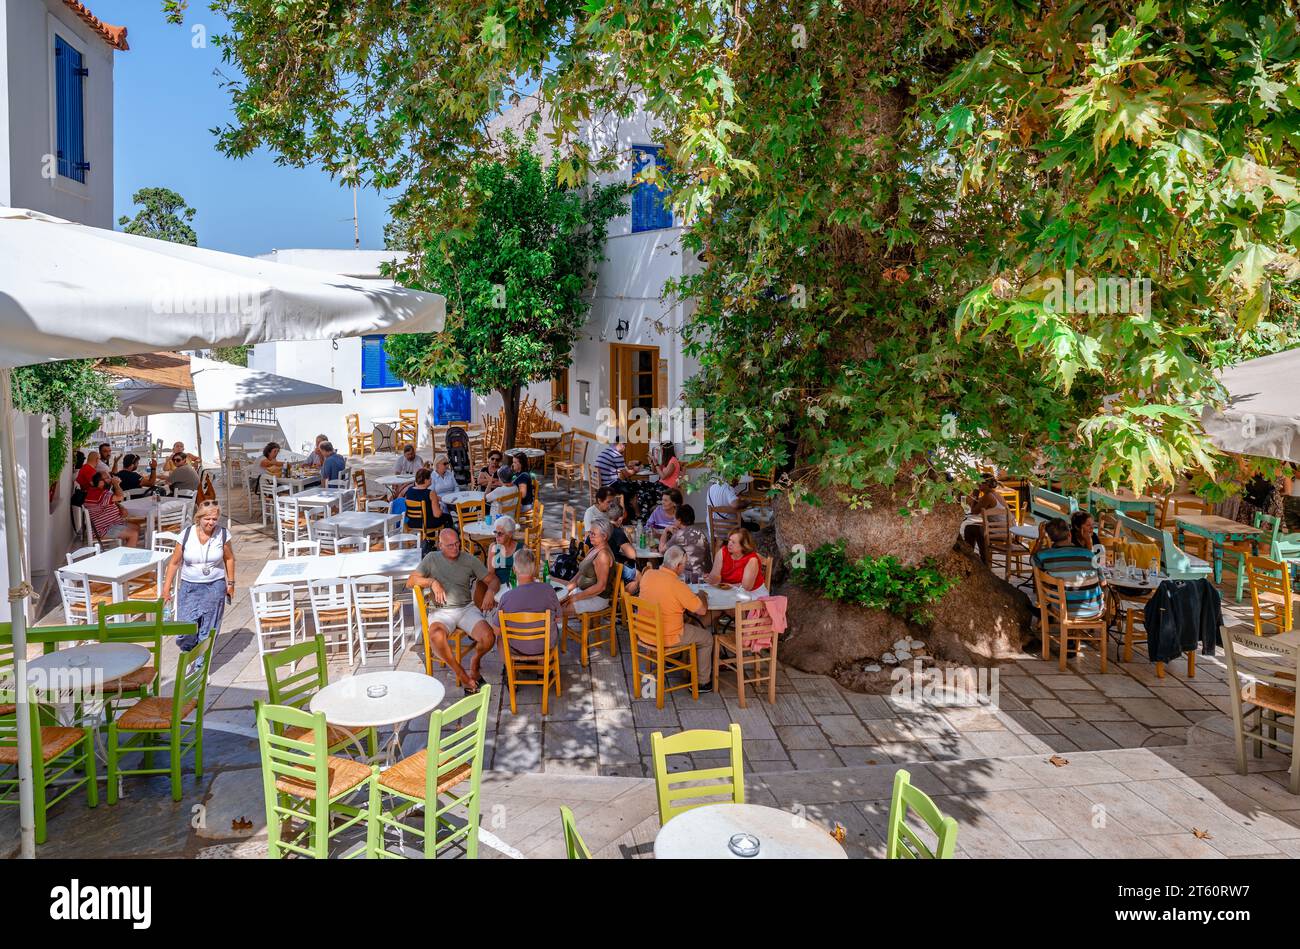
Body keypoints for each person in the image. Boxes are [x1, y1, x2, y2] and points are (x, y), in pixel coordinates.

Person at [407, 528, 499, 692]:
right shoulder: (431, 559)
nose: (455, 548)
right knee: (435, 636)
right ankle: (463, 675)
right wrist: (432, 582)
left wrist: (490, 592)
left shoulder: (469, 560)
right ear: (440, 545)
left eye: (457, 543)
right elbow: (411, 581)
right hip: (441, 612)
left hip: (465, 609)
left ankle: (475, 664)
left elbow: (492, 580)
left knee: (489, 637)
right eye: (450, 545)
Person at [163, 499, 236, 651]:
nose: (211, 523)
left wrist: (231, 584)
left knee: (208, 630)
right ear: (199, 518)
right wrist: (166, 589)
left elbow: (229, 559)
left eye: (214, 519)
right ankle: (190, 652)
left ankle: (200, 666)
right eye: (207, 519)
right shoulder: (186, 534)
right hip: (189, 587)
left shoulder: (222, 534)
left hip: (214, 586)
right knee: (185, 630)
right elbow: (174, 563)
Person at [638, 546, 714, 692]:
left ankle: (672, 659)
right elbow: (702, 610)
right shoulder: (677, 585)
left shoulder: (648, 574)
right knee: (707, 638)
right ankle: (703, 682)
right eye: (684, 565)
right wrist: (702, 595)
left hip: (644, 632)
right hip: (666, 637)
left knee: (683, 618)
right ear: (678, 566)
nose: (684, 568)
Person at [489, 548, 562, 657]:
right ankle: (541, 671)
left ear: (514, 569)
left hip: (517, 647)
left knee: (501, 637)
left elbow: (496, 630)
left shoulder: (506, 598)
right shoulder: (548, 590)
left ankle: (509, 670)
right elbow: (558, 618)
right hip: (545, 646)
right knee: (551, 629)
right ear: (535, 569)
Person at [1030, 518, 1105, 619]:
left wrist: (1040, 538)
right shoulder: (1089, 554)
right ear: (1069, 534)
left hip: (1061, 611)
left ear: (1050, 538)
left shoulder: (1043, 556)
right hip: (1094, 610)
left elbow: (1031, 560)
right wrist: (1088, 542)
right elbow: (1103, 583)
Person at [563, 517, 617, 623]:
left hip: (597, 598)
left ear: (604, 536)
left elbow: (601, 587)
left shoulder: (603, 555)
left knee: (552, 610)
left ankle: (545, 637)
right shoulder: (593, 549)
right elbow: (579, 575)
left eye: (593, 534)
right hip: (583, 593)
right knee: (551, 602)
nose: (589, 536)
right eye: (590, 533)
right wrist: (566, 590)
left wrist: (575, 598)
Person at [83, 470, 139, 547]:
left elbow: (113, 501)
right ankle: (125, 557)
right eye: (108, 478)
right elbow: (120, 497)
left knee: (136, 527)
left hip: (111, 524)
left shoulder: (96, 491)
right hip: (103, 529)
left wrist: (120, 507)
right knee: (133, 534)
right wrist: (116, 484)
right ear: (101, 482)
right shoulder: (100, 495)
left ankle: (127, 547)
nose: (111, 479)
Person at [708, 526, 768, 596]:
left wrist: (726, 585)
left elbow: (746, 587)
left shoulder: (752, 559)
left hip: (752, 593)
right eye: (729, 540)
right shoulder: (723, 552)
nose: (729, 544)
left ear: (743, 546)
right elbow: (715, 577)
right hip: (727, 591)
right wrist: (712, 578)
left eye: (733, 542)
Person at [593, 438, 643, 517]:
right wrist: (636, 470)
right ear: (618, 443)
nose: (624, 447)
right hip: (609, 485)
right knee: (632, 490)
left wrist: (629, 466)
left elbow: (620, 468)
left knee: (625, 484)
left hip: (600, 482)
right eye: (624, 444)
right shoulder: (617, 455)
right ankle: (638, 514)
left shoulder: (607, 450)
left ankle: (627, 511)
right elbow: (627, 474)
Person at [961, 476, 1006, 562]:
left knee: (970, 529)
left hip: (1001, 530)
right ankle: (983, 559)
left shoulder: (988, 496)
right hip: (1007, 528)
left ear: (987, 485)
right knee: (977, 528)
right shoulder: (995, 494)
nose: (977, 485)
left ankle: (972, 558)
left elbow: (974, 511)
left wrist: (975, 494)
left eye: (979, 483)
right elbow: (977, 505)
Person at [660, 503, 712, 577]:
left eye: (674, 518)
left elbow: (662, 550)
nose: (673, 520)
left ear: (679, 520)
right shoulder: (701, 532)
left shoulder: (679, 534)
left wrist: (665, 531)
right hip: (705, 575)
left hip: (688, 577)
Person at [483, 516, 520, 595]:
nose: (496, 537)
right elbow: (491, 574)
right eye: (495, 533)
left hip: (515, 587)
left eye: (500, 534)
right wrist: (492, 591)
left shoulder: (520, 549)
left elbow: (524, 574)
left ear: (509, 534)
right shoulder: (494, 547)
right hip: (498, 586)